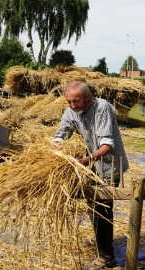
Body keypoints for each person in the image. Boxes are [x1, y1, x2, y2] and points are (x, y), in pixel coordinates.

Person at [51, 80, 129, 269]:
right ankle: (102, 245)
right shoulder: (72, 111)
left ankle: (106, 257)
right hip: (91, 168)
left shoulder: (103, 109)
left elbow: (107, 146)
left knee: (102, 210)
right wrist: (54, 148)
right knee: (93, 208)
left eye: (76, 101)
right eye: (68, 102)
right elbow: (61, 134)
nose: (72, 106)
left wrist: (87, 159)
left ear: (88, 99)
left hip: (109, 166)